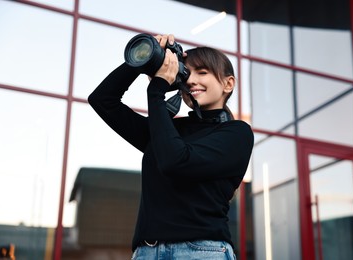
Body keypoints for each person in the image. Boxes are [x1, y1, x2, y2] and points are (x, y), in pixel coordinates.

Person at [88, 34, 254, 260]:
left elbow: (176, 162)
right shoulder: (166, 129)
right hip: (146, 252)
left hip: (202, 252)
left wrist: (156, 91)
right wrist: (146, 59)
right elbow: (102, 100)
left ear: (228, 83)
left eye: (202, 72)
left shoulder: (236, 134)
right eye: (186, 73)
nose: (191, 80)